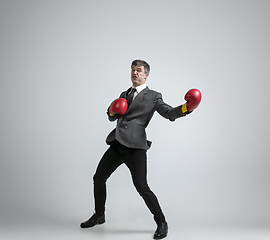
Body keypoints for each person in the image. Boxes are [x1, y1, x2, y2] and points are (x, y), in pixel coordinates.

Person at [80, 59, 196, 239]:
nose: (135, 73)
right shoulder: (125, 93)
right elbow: (112, 116)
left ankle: (161, 222)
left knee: (141, 186)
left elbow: (168, 113)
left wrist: (186, 108)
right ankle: (99, 215)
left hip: (135, 147)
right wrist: (112, 110)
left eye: (139, 70)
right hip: (118, 143)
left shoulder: (153, 96)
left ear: (146, 74)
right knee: (99, 177)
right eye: (133, 70)